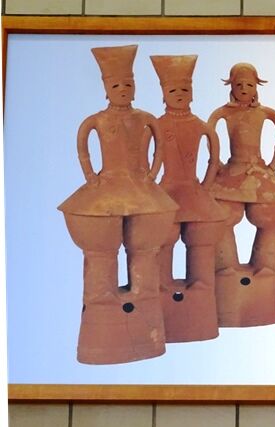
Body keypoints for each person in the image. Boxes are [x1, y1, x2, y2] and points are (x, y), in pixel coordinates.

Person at [59, 44, 178, 364]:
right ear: (106, 89)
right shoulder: (96, 120)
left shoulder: (146, 118)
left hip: (141, 188)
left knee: (145, 253)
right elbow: (83, 145)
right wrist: (91, 177)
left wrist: (151, 175)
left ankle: (142, 324)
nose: (123, 89)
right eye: (116, 85)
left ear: (135, 86)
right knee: (101, 255)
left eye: (128, 84)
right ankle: (106, 329)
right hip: (108, 187)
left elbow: (159, 146)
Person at [208, 63, 275, 327]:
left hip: (258, 171)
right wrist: (218, 166)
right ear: (232, 87)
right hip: (234, 171)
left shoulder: (265, 113)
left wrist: (272, 166)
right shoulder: (223, 113)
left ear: (256, 86)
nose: (244, 89)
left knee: (271, 218)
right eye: (239, 85)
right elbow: (210, 138)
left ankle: (265, 275)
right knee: (222, 217)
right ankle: (227, 273)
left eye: (249, 84)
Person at [150, 54, 227, 343]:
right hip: (168, 192)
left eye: (184, 89)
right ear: (163, 94)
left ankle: (200, 312)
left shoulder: (199, 125)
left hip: (192, 194)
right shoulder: (156, 124)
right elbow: (150, 162)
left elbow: (214, 158)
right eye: (173, 90)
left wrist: (205, 186)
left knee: (201, 247)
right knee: (163, 243)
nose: (180, 94)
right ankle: (164, 302)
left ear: (192, 93)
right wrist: (150, 187)